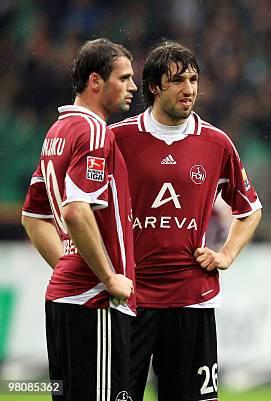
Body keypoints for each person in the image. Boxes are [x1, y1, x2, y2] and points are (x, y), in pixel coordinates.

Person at [110, 41, 262, 401]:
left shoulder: (215, 143)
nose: (189, 89)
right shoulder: (118, 139)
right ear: (152, 87)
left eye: (193, 79)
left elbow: (250, 208)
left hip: (191, 298)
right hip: (130, 297)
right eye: (177, 80)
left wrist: (225, 255)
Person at [21, 38, 138, 401]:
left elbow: (33, 218)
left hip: (64, 298)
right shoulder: (94, 131)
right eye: (124, 77)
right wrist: (106, 276)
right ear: (95, 81)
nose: (133, 87)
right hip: (95, 301)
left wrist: (69, 264)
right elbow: (75, 209)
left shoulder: (57, 133)